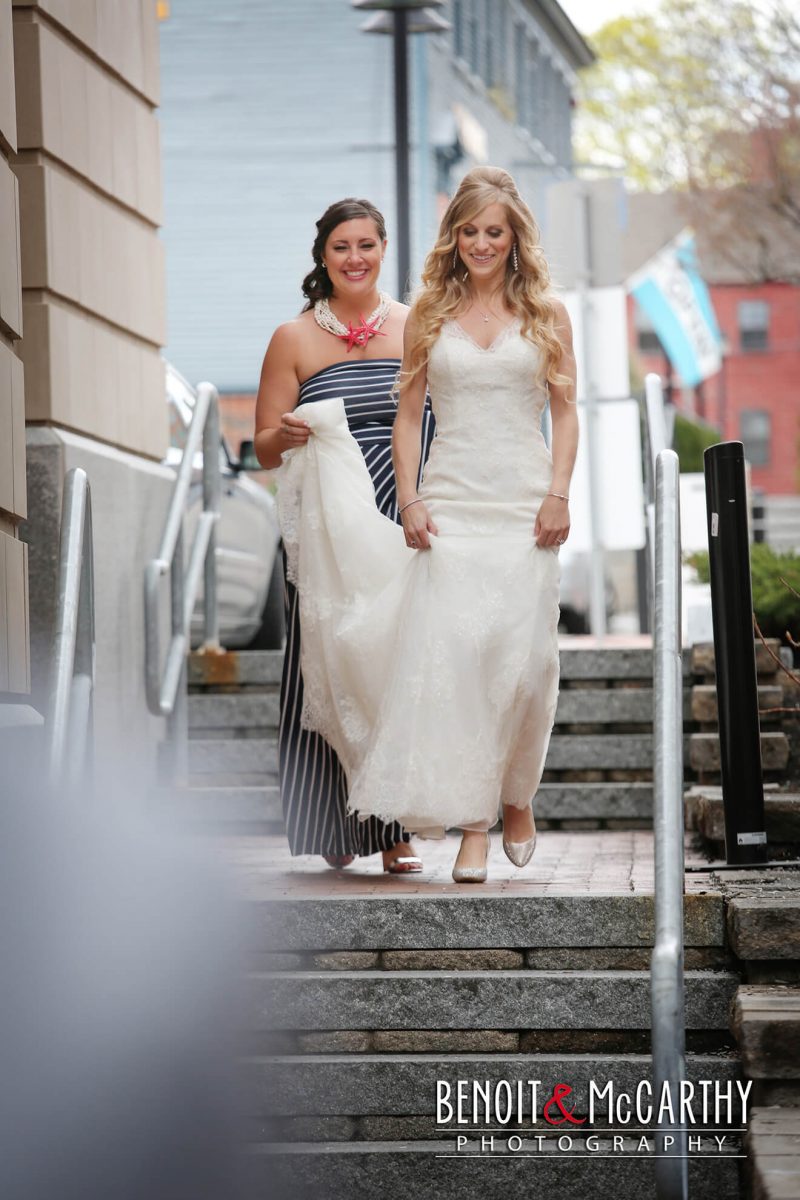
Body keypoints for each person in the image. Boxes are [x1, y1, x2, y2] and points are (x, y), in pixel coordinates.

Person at [275, 165, 578, 883]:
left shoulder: (548, 313)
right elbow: (409, 416)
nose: (480, 243)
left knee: (527, 665)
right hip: (449, 505)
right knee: (465, 663)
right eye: (468, 231)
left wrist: (560, 493)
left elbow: (565, 413)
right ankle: (475, 825)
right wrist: (409, 499)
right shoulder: (428, 314)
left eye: (493, 232)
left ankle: (516, 795)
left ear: (514, 239)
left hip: (523, 503)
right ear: (454, 238)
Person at [253, 198, 435, 874]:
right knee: (326, 664)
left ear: (384, 248)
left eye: (365, 244)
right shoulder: (293, 338)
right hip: (327, 529)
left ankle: (394, 829)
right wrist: (290, 430)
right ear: (322, 257)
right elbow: (264, 447)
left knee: (389, 663)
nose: (354, 258)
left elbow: (441, 418)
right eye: (341, 247)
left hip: (400, 514)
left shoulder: (418, 326)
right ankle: (330, 817)